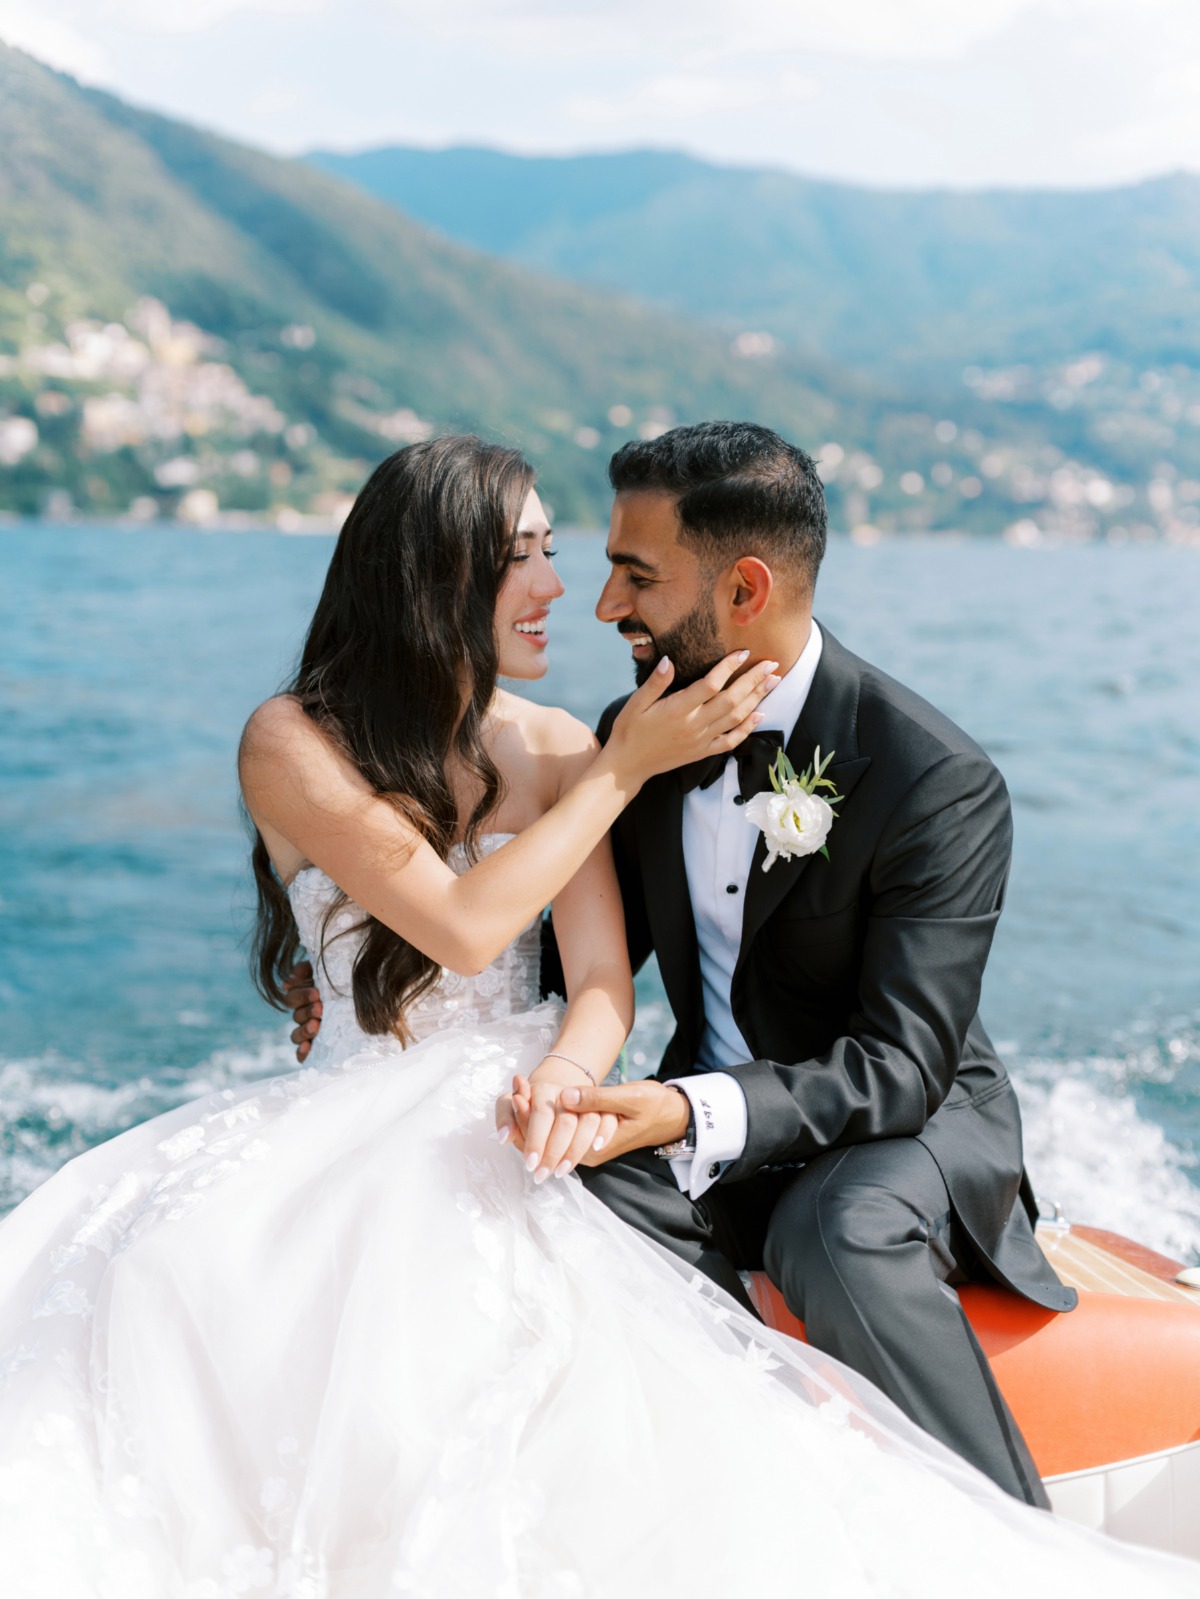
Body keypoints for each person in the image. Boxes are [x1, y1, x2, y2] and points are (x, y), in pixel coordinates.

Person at [0, 434, 1193, 1597]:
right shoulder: (629, 740)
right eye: (541, 555)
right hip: (559, 1102)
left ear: (742, 588)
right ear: (439, 575)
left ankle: (1011, 1547)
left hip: (890, 1114)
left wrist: (610, 1079)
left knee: (834, 1230)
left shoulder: (917, 773)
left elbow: (870, 1054)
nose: (585, 598)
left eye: (626, 572)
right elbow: (503, 944)